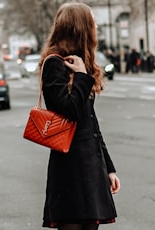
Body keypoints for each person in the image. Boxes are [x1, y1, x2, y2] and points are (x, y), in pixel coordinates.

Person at [37, 3, 121, 230]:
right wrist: (82, 75)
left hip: (90, 166)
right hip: (70, 167)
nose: (95, 26)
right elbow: (69, 111)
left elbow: (91, 122)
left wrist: (109, 168)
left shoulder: (79, 62)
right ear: (80, 27)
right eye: (91, 22)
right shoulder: (54, 64)